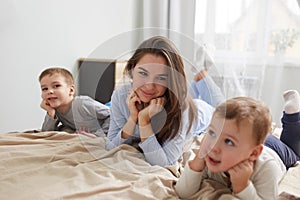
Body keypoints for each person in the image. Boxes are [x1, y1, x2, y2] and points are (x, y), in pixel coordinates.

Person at [105, 36, 215, 167]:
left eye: (161, 78)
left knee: (221, 105)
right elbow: (110, 147)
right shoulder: (120, 96)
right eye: (143, 73)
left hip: (205, 113)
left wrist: (144, 120)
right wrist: (132, 119)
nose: (149, 86)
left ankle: (202, 74)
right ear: (132, 69)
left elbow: (165, 163)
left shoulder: (181, 108)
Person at [175, 94, 300, 199]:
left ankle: (292, 117)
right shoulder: (210, 157)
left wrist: (243, 187)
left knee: (294, 151)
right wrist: (196, 165)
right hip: (246, 141)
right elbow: (183, 193)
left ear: (253, 154)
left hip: (276, 151)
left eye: (228, 142)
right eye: (212, 133)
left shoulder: (267, 168)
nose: (214, 146)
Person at [39, 67, 110, 137]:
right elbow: (46, 133)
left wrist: (100, 135)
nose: (49, 91)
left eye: (56, 86)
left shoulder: (82, 104)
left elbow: (113, 115)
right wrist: (50, 113)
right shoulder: (55, 109)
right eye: (45, 89)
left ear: (71, 90)